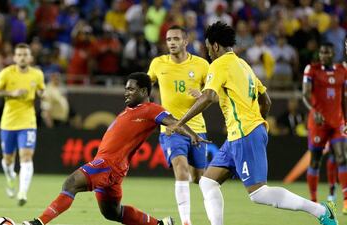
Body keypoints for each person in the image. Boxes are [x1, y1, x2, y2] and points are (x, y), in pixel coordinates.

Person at [167, 21, 339, 225]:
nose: (208, 53)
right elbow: (265, 100)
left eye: (207, 47)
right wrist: (257, 124)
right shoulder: (243, 64)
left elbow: (208, 97)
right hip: (240, 134)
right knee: (207, 181)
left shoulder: (220, 64)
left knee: (259, 193)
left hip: (244, 133)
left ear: (214, 46)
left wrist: (179, 122)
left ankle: (321, 211)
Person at [21, 72, 208, 225]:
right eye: (125, 89)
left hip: (108, 165)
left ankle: (37, 223)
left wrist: (192, 135)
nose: (126, 93)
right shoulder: (130, 110)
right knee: (112, 213)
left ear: (143, 91)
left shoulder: (152, 109)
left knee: (71, 183)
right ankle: (160, 224)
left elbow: (174, 122)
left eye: (131, 89)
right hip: (113, 168)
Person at [147, 25, 210, 225]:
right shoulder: (158, 64)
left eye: (175, 39)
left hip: (197, 128)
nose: (171, 43)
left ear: (185, 41)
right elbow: (144, 87)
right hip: (171, 128)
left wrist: (202, 95)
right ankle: (186, 221)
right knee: (180, 168)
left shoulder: (202, 65)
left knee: (200, 178)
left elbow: (214, 94)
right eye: (168, 39)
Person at [0, 43, 45, 206]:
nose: (22, 57)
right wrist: (10, 93)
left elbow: (41, 90)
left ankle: (22, 192)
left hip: (28, 122)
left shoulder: (37, 74)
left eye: (25, 54)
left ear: (30, 57)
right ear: (14, 57)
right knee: (7, 160)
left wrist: (42, 94)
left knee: (26, 157)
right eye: (19, 54)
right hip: (8, 123)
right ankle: (10, 177)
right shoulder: (7, 73)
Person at [302, 42, 347, 213]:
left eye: (327, 53)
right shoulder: (311, 70)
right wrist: (314, 110)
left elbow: (344, 98)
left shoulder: (342, 71)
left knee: (342, 157)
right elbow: (305, 94)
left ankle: (346, 201)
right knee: (315, 161)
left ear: (333, 53)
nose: (323, 56)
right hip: (318, 123)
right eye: (321, 52)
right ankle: (313, 201)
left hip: (337, 123)